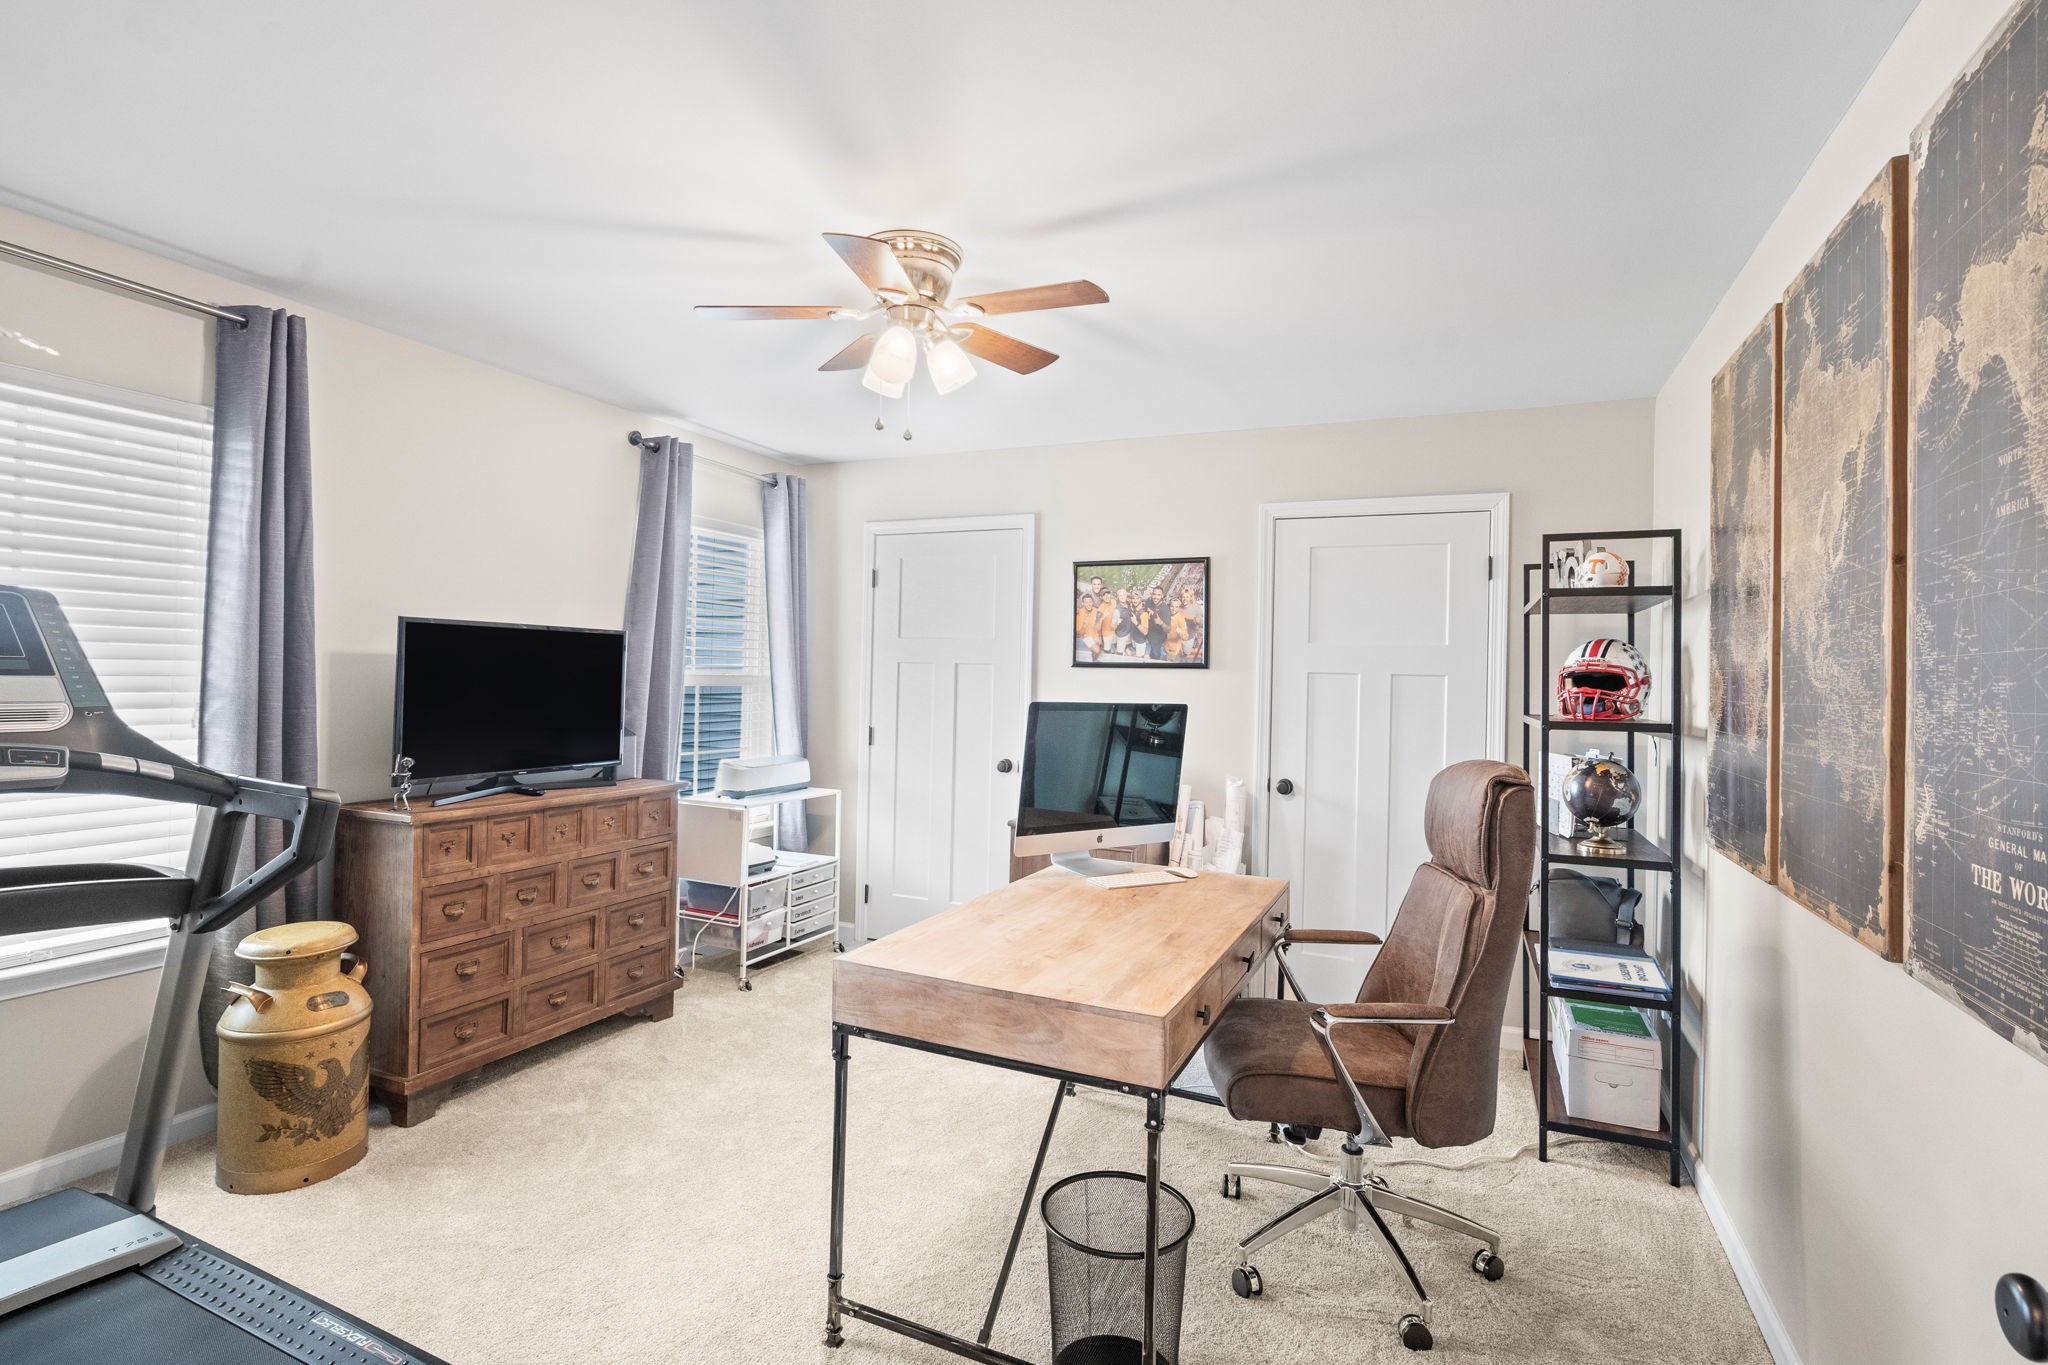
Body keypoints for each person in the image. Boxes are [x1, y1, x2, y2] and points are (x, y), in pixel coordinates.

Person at [1076, 592, 1100, 662]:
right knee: (1097, 650)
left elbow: (1099, 627)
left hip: (1096, 636)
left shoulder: (1097, 611)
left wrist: (1099, 636)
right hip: (1086, 637)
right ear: (1083, 603)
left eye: (1090, 602)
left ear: (1093, 602)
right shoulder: (1079, 613)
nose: (1089, 604)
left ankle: (1094, 661)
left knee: (1099, 651)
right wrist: (1084, 626)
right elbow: (1080, 634)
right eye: (1086, 602)